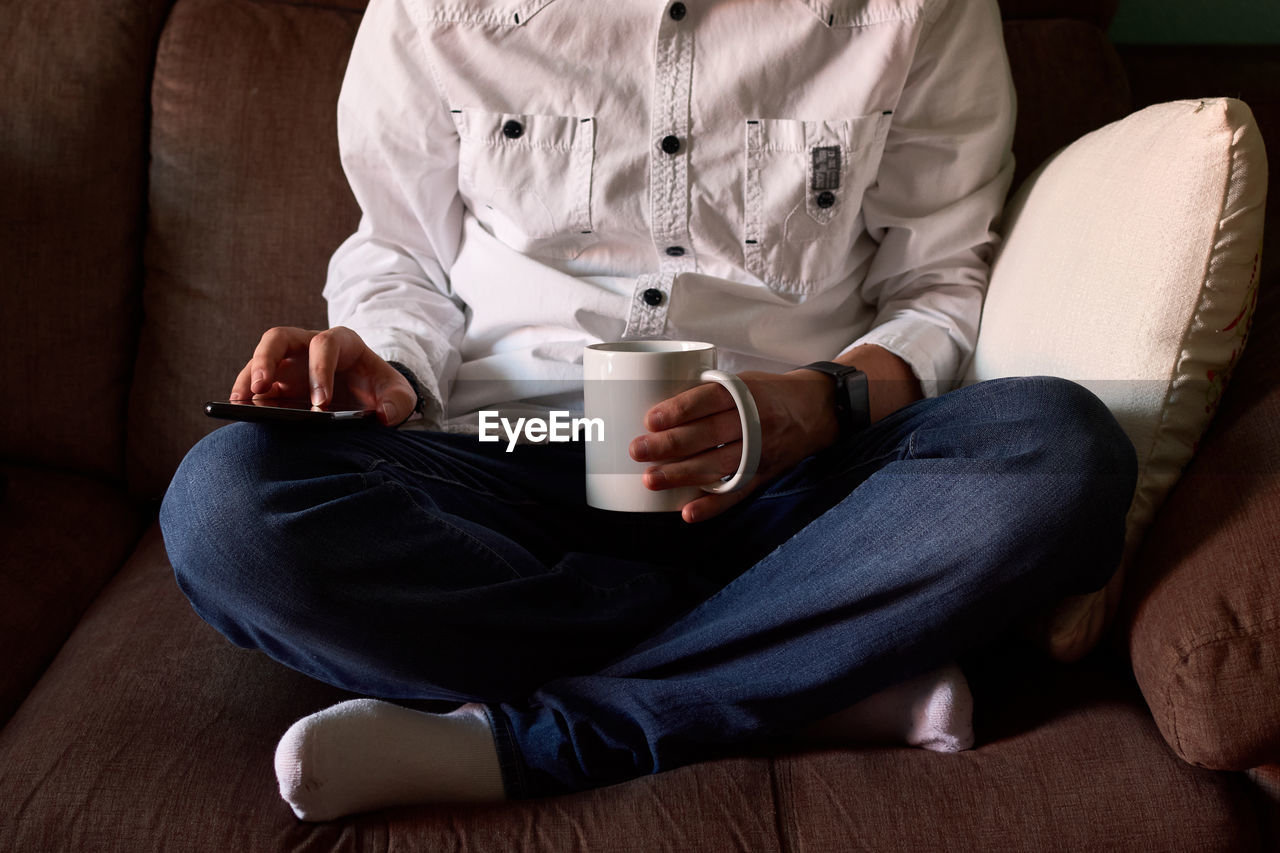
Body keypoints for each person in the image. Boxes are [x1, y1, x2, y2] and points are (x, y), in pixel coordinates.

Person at [159, 0, 1138, 821]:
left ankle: (536, 740)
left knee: (1059, 450)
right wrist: (384, 365)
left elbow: (938, 283)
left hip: (790, 493)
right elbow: (400, 254)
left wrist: (822, 403)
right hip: (504, 467)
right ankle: (811, 668)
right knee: (227, 503)